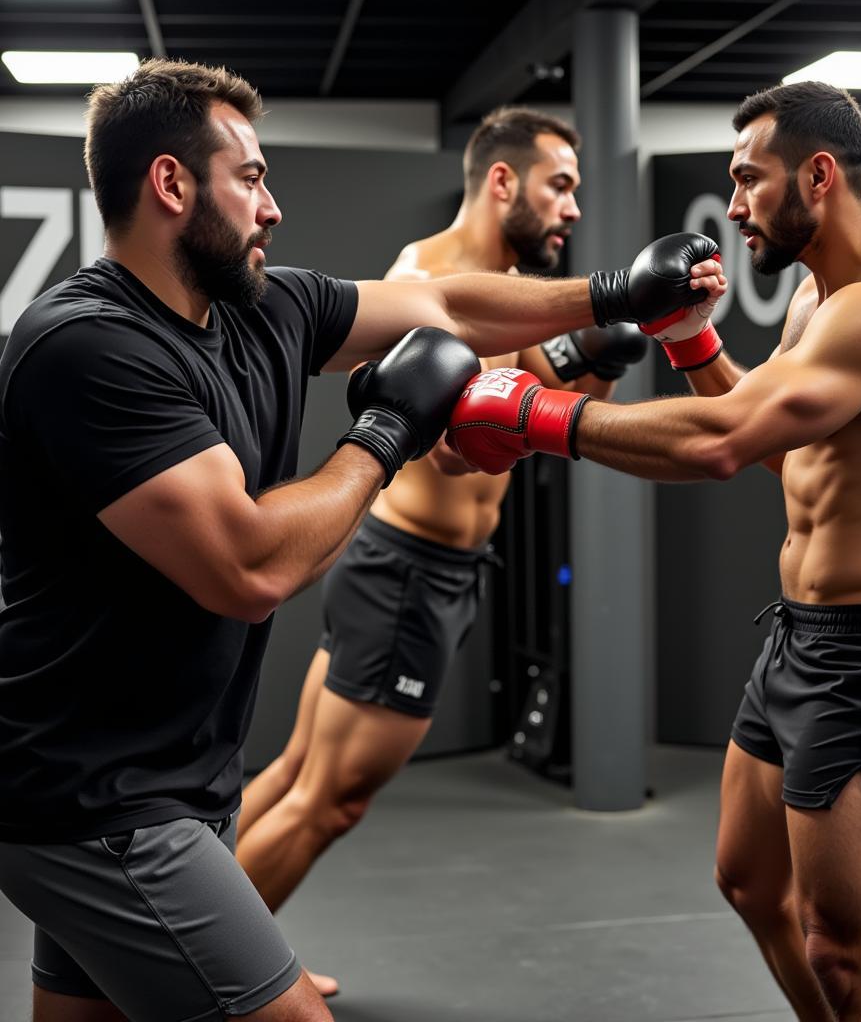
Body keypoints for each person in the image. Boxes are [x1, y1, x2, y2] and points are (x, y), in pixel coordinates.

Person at [0, 61, 705, 1022]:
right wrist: (381, 437)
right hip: (91, 797)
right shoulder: (88, 346)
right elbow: (249, 566)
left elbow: (451, 308)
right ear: (171, 185)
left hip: (169, 775)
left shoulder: (265, 311)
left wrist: (616, 292)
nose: (272, 205)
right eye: (248, 178)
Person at [447, 81, 861, 1022]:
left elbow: (720, 444)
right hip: (802, 640)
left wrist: (535, 416)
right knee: (750, 883)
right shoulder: (821, 299)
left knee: (849, 956)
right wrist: (689, 336)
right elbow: (772, 440)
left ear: (818, 175)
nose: (733, 207)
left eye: (747, 180)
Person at [233, 107, 646, 995]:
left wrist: (605, 354)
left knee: (301, 773)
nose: (573, 209)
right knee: (329, 799)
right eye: (560, 185)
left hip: (426, 570)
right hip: (408, 571)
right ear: (504, 182)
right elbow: (460, 450)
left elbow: (544, 404)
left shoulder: (505, 284)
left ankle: (220, 944)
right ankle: (209, 983)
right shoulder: (431, 278)